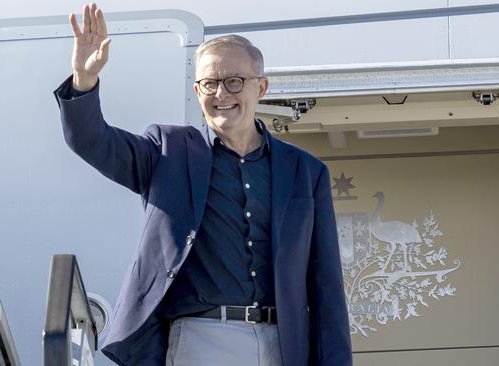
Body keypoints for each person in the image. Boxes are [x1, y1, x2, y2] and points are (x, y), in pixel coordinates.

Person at [54, 3, 352, 365]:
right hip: (202, 339)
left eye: (234, 82)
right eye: (210, 83)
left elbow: (326, 287)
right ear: (197, 91)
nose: (221, 94)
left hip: (284, 343)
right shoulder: (168, 152)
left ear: (262, 87)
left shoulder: (306, 171)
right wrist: (84, 81)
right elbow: (91, 140)